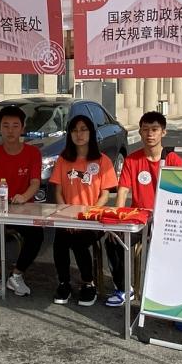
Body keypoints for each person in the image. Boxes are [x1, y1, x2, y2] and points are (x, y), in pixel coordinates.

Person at [103, 111, 182, 307]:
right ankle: (124, 288)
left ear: (163, 132)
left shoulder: (174, 160)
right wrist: (117, 220)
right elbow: (122, 192)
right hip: (138, 219)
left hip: (167, 219)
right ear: (139, 132)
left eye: (155, 129)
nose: (150, 134)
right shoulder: (132, 160)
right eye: (145, 129)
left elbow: (181, 195)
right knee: (113, 239)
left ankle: (167, 292)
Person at [0, 105, 45, 297]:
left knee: (37, 235)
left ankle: (17, 275)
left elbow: (35, 183)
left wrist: (24, 196)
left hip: (23, 209)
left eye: (15, 125)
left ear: (22, 128)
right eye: (6, 125)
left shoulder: (33, 153)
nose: (10, 130)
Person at [49, 115, 117, 306]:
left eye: (83, 129)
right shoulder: (63, 160)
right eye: (74, 130)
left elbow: (105, 195)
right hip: (67, 216)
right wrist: (67, 217)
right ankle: (64, 283)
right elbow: (58, 192)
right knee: (60, 241)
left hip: (92, 219)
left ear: (91, 133)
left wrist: (86, 217)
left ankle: (88, 283)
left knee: (79, 241)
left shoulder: (102, 161)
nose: (79, 134)